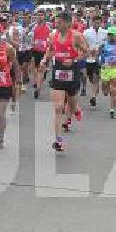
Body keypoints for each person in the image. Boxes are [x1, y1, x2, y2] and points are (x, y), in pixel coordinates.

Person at [37, 13, 90, 152]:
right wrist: (44, 61)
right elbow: (50, 50)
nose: (56, 25)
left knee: (71, 106)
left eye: (59, 23)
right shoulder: (53, 35)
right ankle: (58, 140)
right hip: (58, 72)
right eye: (55, 22)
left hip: (72, 72)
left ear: (67, 23)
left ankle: (76, 108)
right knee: (58, 107)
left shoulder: (77, 36)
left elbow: (86, 52)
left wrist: (74, 60)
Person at [97, 27, 116, 119]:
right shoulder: (103, 45)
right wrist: (100, 63)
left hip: (115, 69)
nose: (111, 36)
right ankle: (106, 90)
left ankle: (112, 109)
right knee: (105, 90)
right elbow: (97, 55)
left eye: (113, 34)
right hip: (105, 69)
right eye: (109, 34)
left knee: (114, 90)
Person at [83, 16, 107, 109]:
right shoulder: (86, 32)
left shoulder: (104, 32)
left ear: (101, 23)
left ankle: (93, 97)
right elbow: (83, 44)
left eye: (98, 23)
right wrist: (89, 50)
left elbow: (107, 44)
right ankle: (94, 92)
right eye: (95, 22)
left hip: (100, 59)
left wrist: (101, 50)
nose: (97, 24)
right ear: (92, 23)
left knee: (96, 77)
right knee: (91, 79)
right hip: (89, 59)